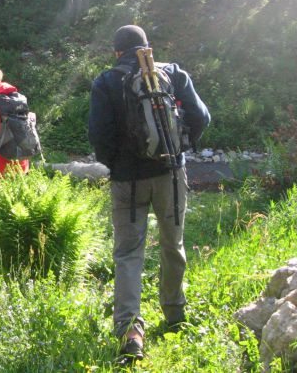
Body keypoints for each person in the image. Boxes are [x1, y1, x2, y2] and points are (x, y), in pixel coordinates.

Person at [88, 25, 210, 363]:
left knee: (128, 253)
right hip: (170, 174)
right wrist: (180, 149)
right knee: (174, 243)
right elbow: (201, 117)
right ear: (147, 48)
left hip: (127, 180)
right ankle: (174, 315)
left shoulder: (106, 81)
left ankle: (130, 330)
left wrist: (116, 163)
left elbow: (98, 135)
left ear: (117, 52)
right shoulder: (172, 73)